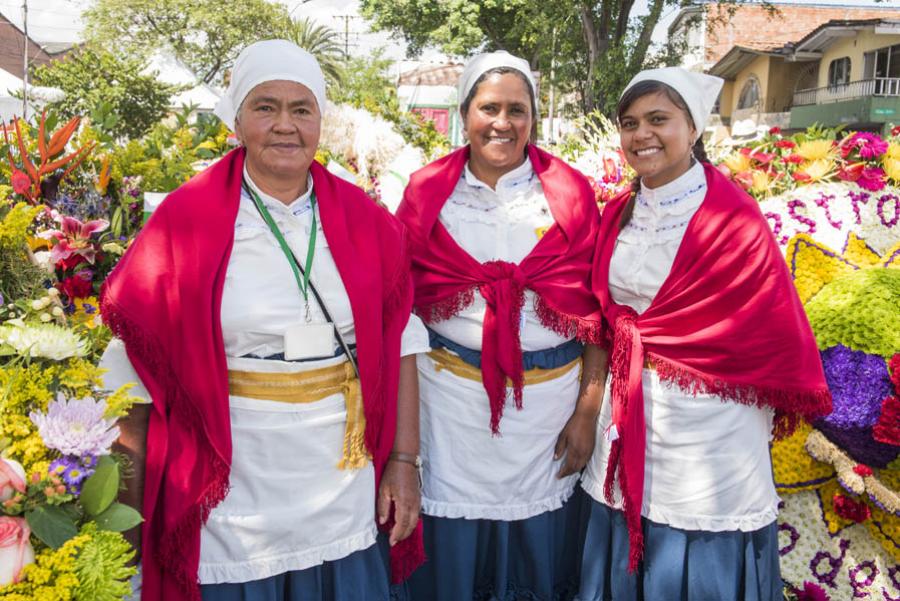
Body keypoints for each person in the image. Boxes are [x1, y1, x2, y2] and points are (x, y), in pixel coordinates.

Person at [99, 40, 427, 601]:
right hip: (230, 477)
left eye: (301, 109)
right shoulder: (185, 220)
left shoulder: (367, 220)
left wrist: (403, 461)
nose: (284, 125)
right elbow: (131, 367)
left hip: (338, 473)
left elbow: (401, 343)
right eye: (265, 107)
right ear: (237, 121)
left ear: (320, 122)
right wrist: (124, 515)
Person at [576, 67, 832, 601]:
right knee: (626, 517)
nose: (641, 134)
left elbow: (769, 326)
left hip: (710, 427)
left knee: (694, 546)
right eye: (629, 123)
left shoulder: (733, 216)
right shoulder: (619, 212)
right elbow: (603, 316)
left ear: (693, 130)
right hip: (629, 407)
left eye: (658, 120)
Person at [396, 51, 606, 600]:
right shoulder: (425, 195)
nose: (503, 123)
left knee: (537, 543)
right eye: (489, 108)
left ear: (533, 118)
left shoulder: (571, 195)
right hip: (450, 410)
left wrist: (587, 411)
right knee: (453, 545)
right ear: (465, 115)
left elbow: (599, 313)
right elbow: (398, 305)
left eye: (518, 109)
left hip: (548, 412)